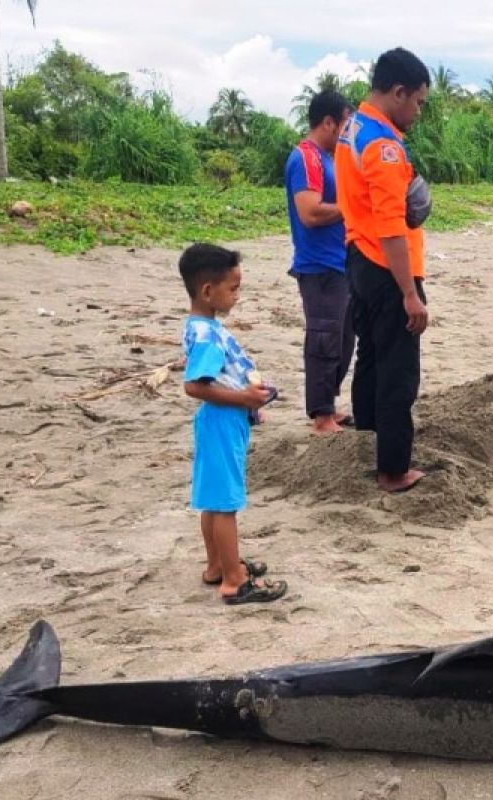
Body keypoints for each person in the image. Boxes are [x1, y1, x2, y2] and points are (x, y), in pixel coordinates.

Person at [335, 47, 431, 493]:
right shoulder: (384, 145)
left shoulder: (352, 128)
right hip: (387, 264)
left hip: (358, 258)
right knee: (398, 368)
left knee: (370, 355)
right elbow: (392, 226)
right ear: (399, 92)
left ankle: (368, 437)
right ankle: (393, 468)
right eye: (418, 102)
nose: (418, 111)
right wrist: (409, 291)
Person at [180, 243, 287, 605]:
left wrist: (249, 397)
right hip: (222, 421)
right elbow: (195, 385)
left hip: (221, 420)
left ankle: (216, 565)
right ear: (208, 291)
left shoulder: (202, 326)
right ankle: (234, 580)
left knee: (212, 499)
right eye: (234, 288)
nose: (237, 295)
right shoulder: (208, 336)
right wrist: (244, 399)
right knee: (225, 502)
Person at [286, 90, 355, 436]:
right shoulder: (307, 158)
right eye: (344, 125)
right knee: (324, 339)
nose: (347, 134)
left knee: (344, 340)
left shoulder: (328, 158)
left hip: (340, 263)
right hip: (320, 266)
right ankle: (321, 416)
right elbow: (310, 212)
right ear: (328, 122)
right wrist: (353, 206)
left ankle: (328, 404)